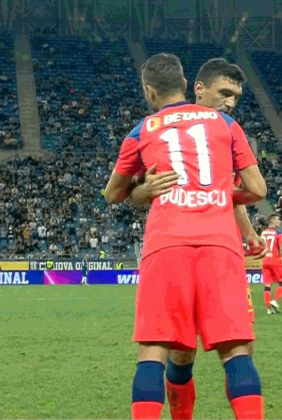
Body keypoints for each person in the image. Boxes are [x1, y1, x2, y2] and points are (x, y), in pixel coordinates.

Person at [105, 53, 267, 420]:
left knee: (153, 352)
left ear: (149, 91)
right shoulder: (226, 125)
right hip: (220, 247)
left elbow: (112, 194)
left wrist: (140, 192)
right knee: (237, 352)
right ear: (186, 85)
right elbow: (256, 188)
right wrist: (217, 194)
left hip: (166, 245)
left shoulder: (142, 130)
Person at [261, 214, 282, 315]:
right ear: (272, 221)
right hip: (275, 261)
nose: (279, 222)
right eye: (278, 220)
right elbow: (281, 248)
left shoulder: (263, 233)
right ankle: (275, 301)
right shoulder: (278, 233)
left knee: (267, 285)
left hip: (265, 261)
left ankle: (268, 309)